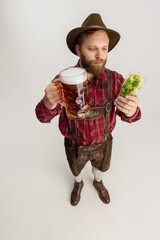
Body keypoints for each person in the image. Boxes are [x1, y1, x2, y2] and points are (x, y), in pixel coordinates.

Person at [35, 13, 141, 206]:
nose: (100, 56)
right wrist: (48, 103)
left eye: (104, 49)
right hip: (74, 143)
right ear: (78, 49)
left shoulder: (115, 80)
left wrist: (131, 110)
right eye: (92, 49)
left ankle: (98, 181)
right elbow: (42, 117)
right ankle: (78, 183)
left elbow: (133, 117)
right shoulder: (64, 80)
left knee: (100, 169)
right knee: (75, 170)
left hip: (103, 142)